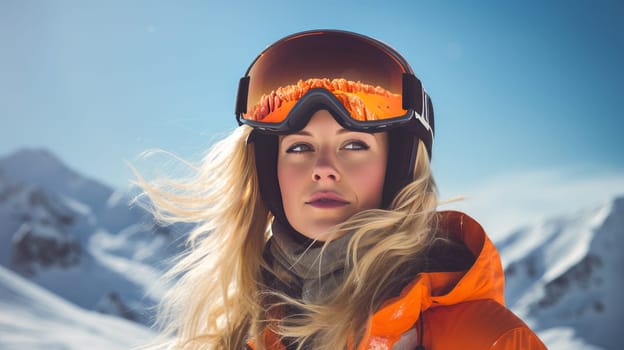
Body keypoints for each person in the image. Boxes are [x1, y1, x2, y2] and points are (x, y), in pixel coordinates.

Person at [138, 30, 546, 349]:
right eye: (299, 147)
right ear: (267, 172)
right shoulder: (240, 334)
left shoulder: (486, 341)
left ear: (399, 166)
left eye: (354, 145)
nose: (324, 169)